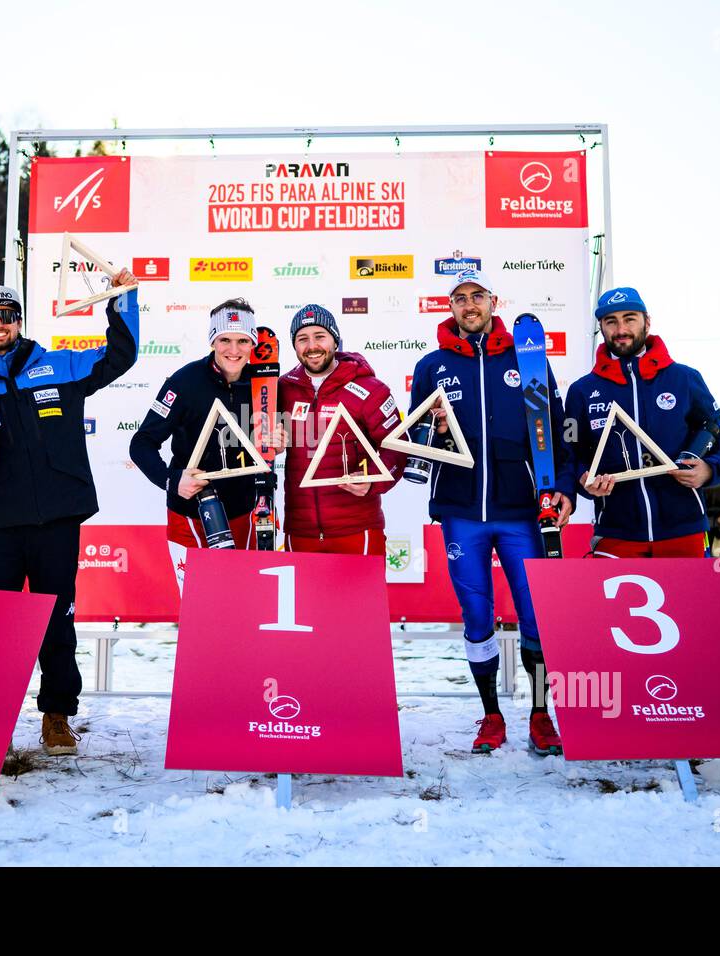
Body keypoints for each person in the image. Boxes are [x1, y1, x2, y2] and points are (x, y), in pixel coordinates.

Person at [0, 275, 139, 755]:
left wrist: (124, 300)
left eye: (8, 316)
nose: (0, 325)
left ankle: (56, 717)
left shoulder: (58, 365)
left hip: (56, 518)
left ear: (18, 321)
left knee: (56, 620)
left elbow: (120, 356)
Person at [408, 269, 575, 756]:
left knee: (535, 617)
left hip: (523, 509)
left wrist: (563, 488)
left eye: (477, 296)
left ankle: (542, 716)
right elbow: (416, 443)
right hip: (462, 510)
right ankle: (491, 716)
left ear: (493, 301)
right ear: (451, 306)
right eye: (459, 298)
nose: (469, 305)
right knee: (476, 615)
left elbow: (557, 434)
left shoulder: (527, 358)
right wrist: (433, 431)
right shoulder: (431, 366)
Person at [564, 286, 720, 558]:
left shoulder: (684, 378)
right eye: (611, 321)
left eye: (629, 318)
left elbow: (719, 434)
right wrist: (584, 479)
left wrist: (709, 471)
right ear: (601, 327)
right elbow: (571, 453)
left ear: (647, 321)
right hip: (617, 533)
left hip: (684, 529)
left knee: (690, 602)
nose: (621, 329)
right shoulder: (581, 391)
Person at [129, 299, 277, 591]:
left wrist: (278, 442)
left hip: (245, 512)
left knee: (245, 602)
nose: (233, 350)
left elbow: (268, 444)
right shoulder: (185, 381)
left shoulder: (264, 383)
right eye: (224, 340)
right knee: (200, 605)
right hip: (191, 513)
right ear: (212, 340)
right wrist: (172, 480)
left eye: (242, 341)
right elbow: (141, 443)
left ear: (252, 343)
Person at [279, 304, 405, 554]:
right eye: (302, 339)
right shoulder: (282, 389)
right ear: (294, 346)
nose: (312, 346)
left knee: (362, 596)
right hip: (300, 531)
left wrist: (373, 481)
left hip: (357, 528)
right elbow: (258, 443)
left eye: (320, 336)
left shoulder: (370, 389)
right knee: (304, 596)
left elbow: (398, 448)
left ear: (335, 341)